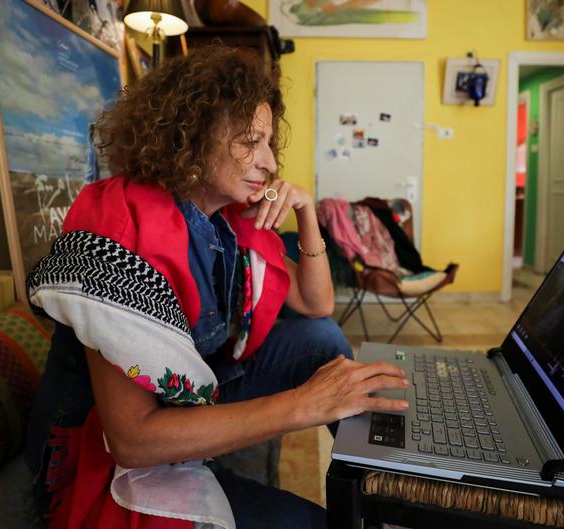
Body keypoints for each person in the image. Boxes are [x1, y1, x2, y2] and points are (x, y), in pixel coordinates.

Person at [24, 47, 409, 529]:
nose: (269, 161)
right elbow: (132, 441)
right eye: (252, 141)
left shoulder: (224, 219)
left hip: (183, 399)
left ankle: (395, 490)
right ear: (191, 138)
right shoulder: (119, 239)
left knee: (321, 339)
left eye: (269, 142)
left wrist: (307, 212)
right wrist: (303, 405)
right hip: (103, 456)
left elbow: (316, 304)